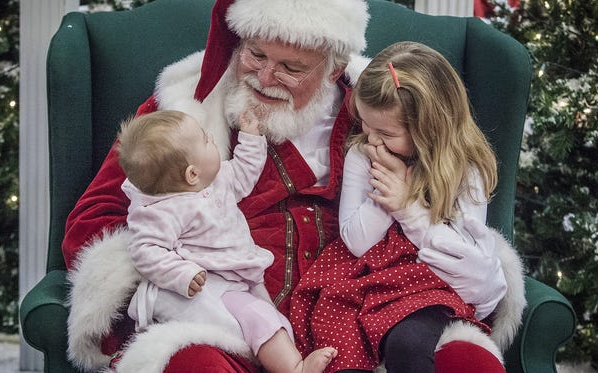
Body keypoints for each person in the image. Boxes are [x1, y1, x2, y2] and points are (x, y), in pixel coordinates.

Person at [63, 1, 523, 372]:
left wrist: (481, 274)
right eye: (256, 54)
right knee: (194, 366)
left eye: (291, 67)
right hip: (231, 327)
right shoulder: (185, 115)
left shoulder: (384, 113)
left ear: (332, 66)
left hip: (367, 319)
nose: (264, 78)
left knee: (467, 362)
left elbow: (454, 194)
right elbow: (94, 219)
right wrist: (185, 282)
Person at [291, 41, 503, 373]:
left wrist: (407, 206)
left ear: (429, 130)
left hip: (426, 280)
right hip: (359, 276)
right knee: (337, 347)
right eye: (364, 124)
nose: (372, 139)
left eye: (386, 133)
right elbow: (356, 242)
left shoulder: (465, 170)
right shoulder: (363, 153)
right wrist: (384, 197)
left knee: (409, 343)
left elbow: (462, 252)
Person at [115, 109, 338, 373]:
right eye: (206, 140)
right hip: (209, 286)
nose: (213, 138)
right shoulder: (161, 210)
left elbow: (244, 173)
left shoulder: (217, 181)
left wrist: (251, 136)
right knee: (261, 318)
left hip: (234, 278)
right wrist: (181, 273)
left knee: (263, 317)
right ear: (192, 174)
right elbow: (145, 250)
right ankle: (295, 368)